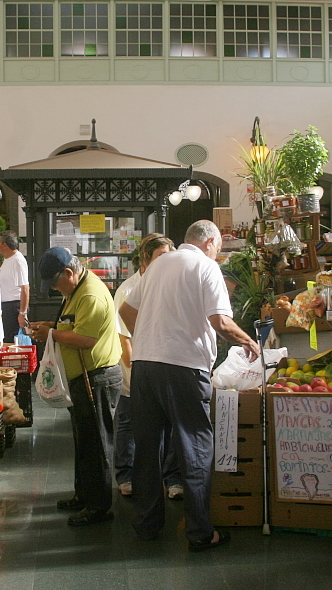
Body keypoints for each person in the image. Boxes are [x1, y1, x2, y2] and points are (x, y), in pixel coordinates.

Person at [119, 220, 260, 552]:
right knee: (195, 444)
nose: (219, 253)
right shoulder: (206, 267)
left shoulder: (157, 265)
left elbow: (126, 311)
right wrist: (249, 341)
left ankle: (147, 524)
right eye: (220, 247)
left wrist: (152, 337)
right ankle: (199, 532)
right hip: (184, 368)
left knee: (148, 447)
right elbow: (221, 322)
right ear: (210, 242)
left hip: (144, 366)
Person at [29, 247, 123, 526]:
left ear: (69, 273)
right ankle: (84, 495)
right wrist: (50, 325)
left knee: (96, 443)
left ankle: (99, 507)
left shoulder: (90, 294)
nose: (56, 290)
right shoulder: (76, 290)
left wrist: (51, 333)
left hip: (97, 378)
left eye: (56, 284)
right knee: (84, 441)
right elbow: (74, 324)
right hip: (81, 378)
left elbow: (85, 339)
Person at [112, 233, 183, 499]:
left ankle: (172, 478)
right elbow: (124, 341)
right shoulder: (128, 291)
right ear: (145, 259)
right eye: (161, 258)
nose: (167, 264)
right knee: (129, 423)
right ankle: (126, 474)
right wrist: (135, 369)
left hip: (164, 366)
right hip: (136, 370)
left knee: (170, 424)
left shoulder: (171, 285)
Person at [0, 230, 30, 343]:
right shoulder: (8, 259)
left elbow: (25, 288)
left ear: (5, 245)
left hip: (14, 306)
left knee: (11, 340)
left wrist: (22, 313)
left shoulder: (17, 261)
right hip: (6, 305)